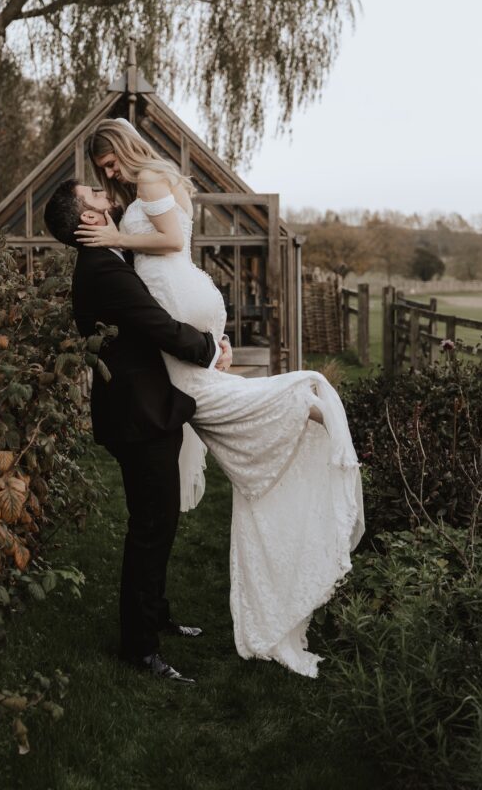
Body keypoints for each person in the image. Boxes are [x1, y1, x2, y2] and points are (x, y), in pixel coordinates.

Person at [74, 116, 365, 678]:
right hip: (172, 340)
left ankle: (291, 407)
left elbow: (174, 242)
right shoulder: (133, 208)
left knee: (199, 413)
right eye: (100, 173)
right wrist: (208, 344)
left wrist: (117, 239)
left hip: (177, 320)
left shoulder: (147, 186)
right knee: (201, 409)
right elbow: (152, 296)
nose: (106, 175)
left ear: (125, 148)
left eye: (109, 163)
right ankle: (288, 411)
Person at [43, 180, 229, 683]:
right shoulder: (102, 268)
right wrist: (210, 349)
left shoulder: (106, 261)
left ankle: (157, 615)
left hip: (141, 409)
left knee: (159, 522)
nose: (106, 195)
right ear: (85, 219)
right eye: (95, 196)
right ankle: (138, 648)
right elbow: (156, 325)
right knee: (151, 527)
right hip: (138, 415)